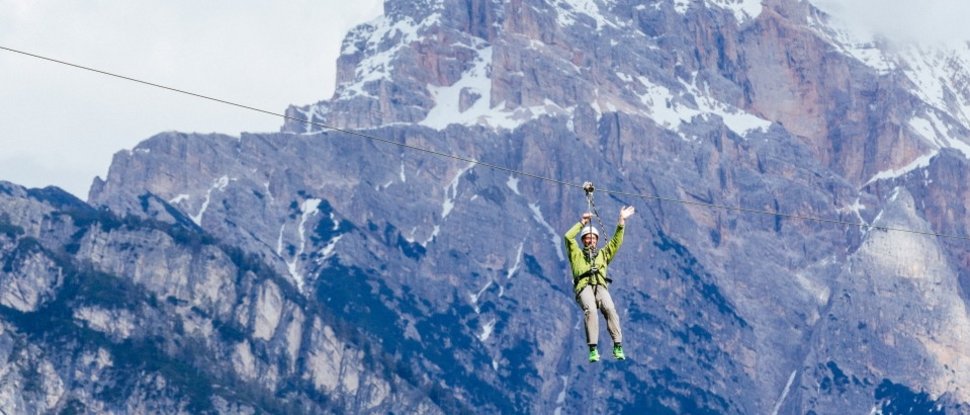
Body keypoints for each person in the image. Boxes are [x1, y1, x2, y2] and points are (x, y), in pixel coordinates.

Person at [564, 206, 635, 362]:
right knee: (591, 310)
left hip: (600, 286)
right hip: (584, 287)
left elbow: (616, 242)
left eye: (594, 238)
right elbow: (568, 237)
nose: (591, 240)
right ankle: (593, 349)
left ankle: (617, 344)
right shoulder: (576, 254)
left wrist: (621, 221)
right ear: (583, 241)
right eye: (588, 238)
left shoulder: (603, 254)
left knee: (610, 308)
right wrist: (582, 223)